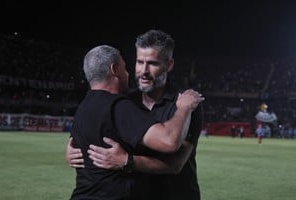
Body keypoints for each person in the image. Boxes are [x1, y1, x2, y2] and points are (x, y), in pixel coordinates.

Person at [66, 30, 204, 200]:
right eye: (140, 62)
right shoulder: (125, 102)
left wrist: (127, 161)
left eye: (152, 63)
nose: (143, 70)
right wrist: (74, 150)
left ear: (169, 64)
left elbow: (176, 165)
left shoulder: (186, 104)